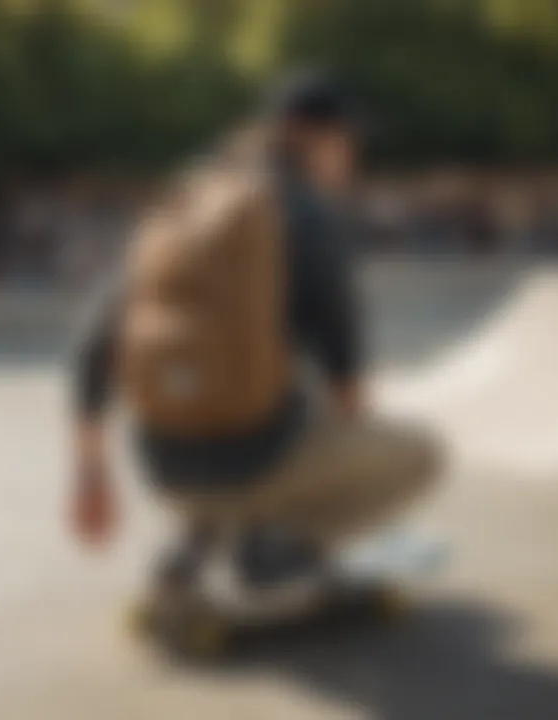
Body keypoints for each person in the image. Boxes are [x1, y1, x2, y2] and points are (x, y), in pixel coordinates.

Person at [70, 71, 444, 594]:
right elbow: (347, 374)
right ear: (307, 138)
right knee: (424, 454)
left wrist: (90, 475)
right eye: (344, 140)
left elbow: (96, 340)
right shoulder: (308, 215)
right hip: (255, 464)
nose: (351, 156)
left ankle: (198, 534)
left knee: (280, 377)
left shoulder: (188, 194)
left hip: (160, 467)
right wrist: (357, 489)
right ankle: (280, 544)